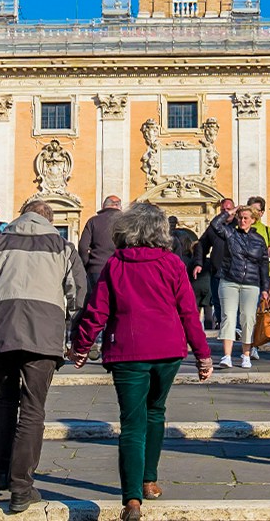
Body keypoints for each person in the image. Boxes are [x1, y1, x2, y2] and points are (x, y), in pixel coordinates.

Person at [71, 203, 213, 521]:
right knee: (156, 411)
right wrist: (203, 355)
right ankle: (149, 480)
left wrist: (81, 346)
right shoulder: (173, 264)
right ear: (161, 232)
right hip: (168, 351)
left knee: (132, 423)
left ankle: (132, 499)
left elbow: (97, 311)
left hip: (127, 351)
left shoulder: (115, 264)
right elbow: (189, 312)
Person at [0, 198, 83, 514]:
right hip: (44, 331)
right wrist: (80, 342)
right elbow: (79, 295)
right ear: (49, 219)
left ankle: (0, 470)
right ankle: (21, 487)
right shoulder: (63, 246)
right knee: (32, 409)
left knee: (5, 400)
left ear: (21, 215)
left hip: (1, 327)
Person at [206, 205, 270, 369]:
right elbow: (215, 225)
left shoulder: (259, 240)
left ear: (253, 220)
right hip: (229, 280)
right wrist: (231, 211)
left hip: (251, 283)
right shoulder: (230, 233)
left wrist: (265, 287)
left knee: (248, 318)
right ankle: (226, 356)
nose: (242, 221)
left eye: (246, 218)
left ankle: (246, 355)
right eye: (240, 217)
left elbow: (263, 264)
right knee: (228, 317)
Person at [197, 197, 236, 330]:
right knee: (218, 301)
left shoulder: (239, 225)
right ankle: (223, 327)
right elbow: (202, 244)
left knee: (234, 302)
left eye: (229, 209)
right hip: (218, 269)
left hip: (235, 271)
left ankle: (236, 328)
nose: (226, 213)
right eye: (223, 210)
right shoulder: (213, 228)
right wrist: (198, 263)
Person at [78, 195, 124, 295]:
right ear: (119, 206)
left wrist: (87, 264)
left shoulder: (93, 221)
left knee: (96, 302)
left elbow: (83, 247)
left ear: (103, 206)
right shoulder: (127, 222)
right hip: (121, 269)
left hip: (97, 268)